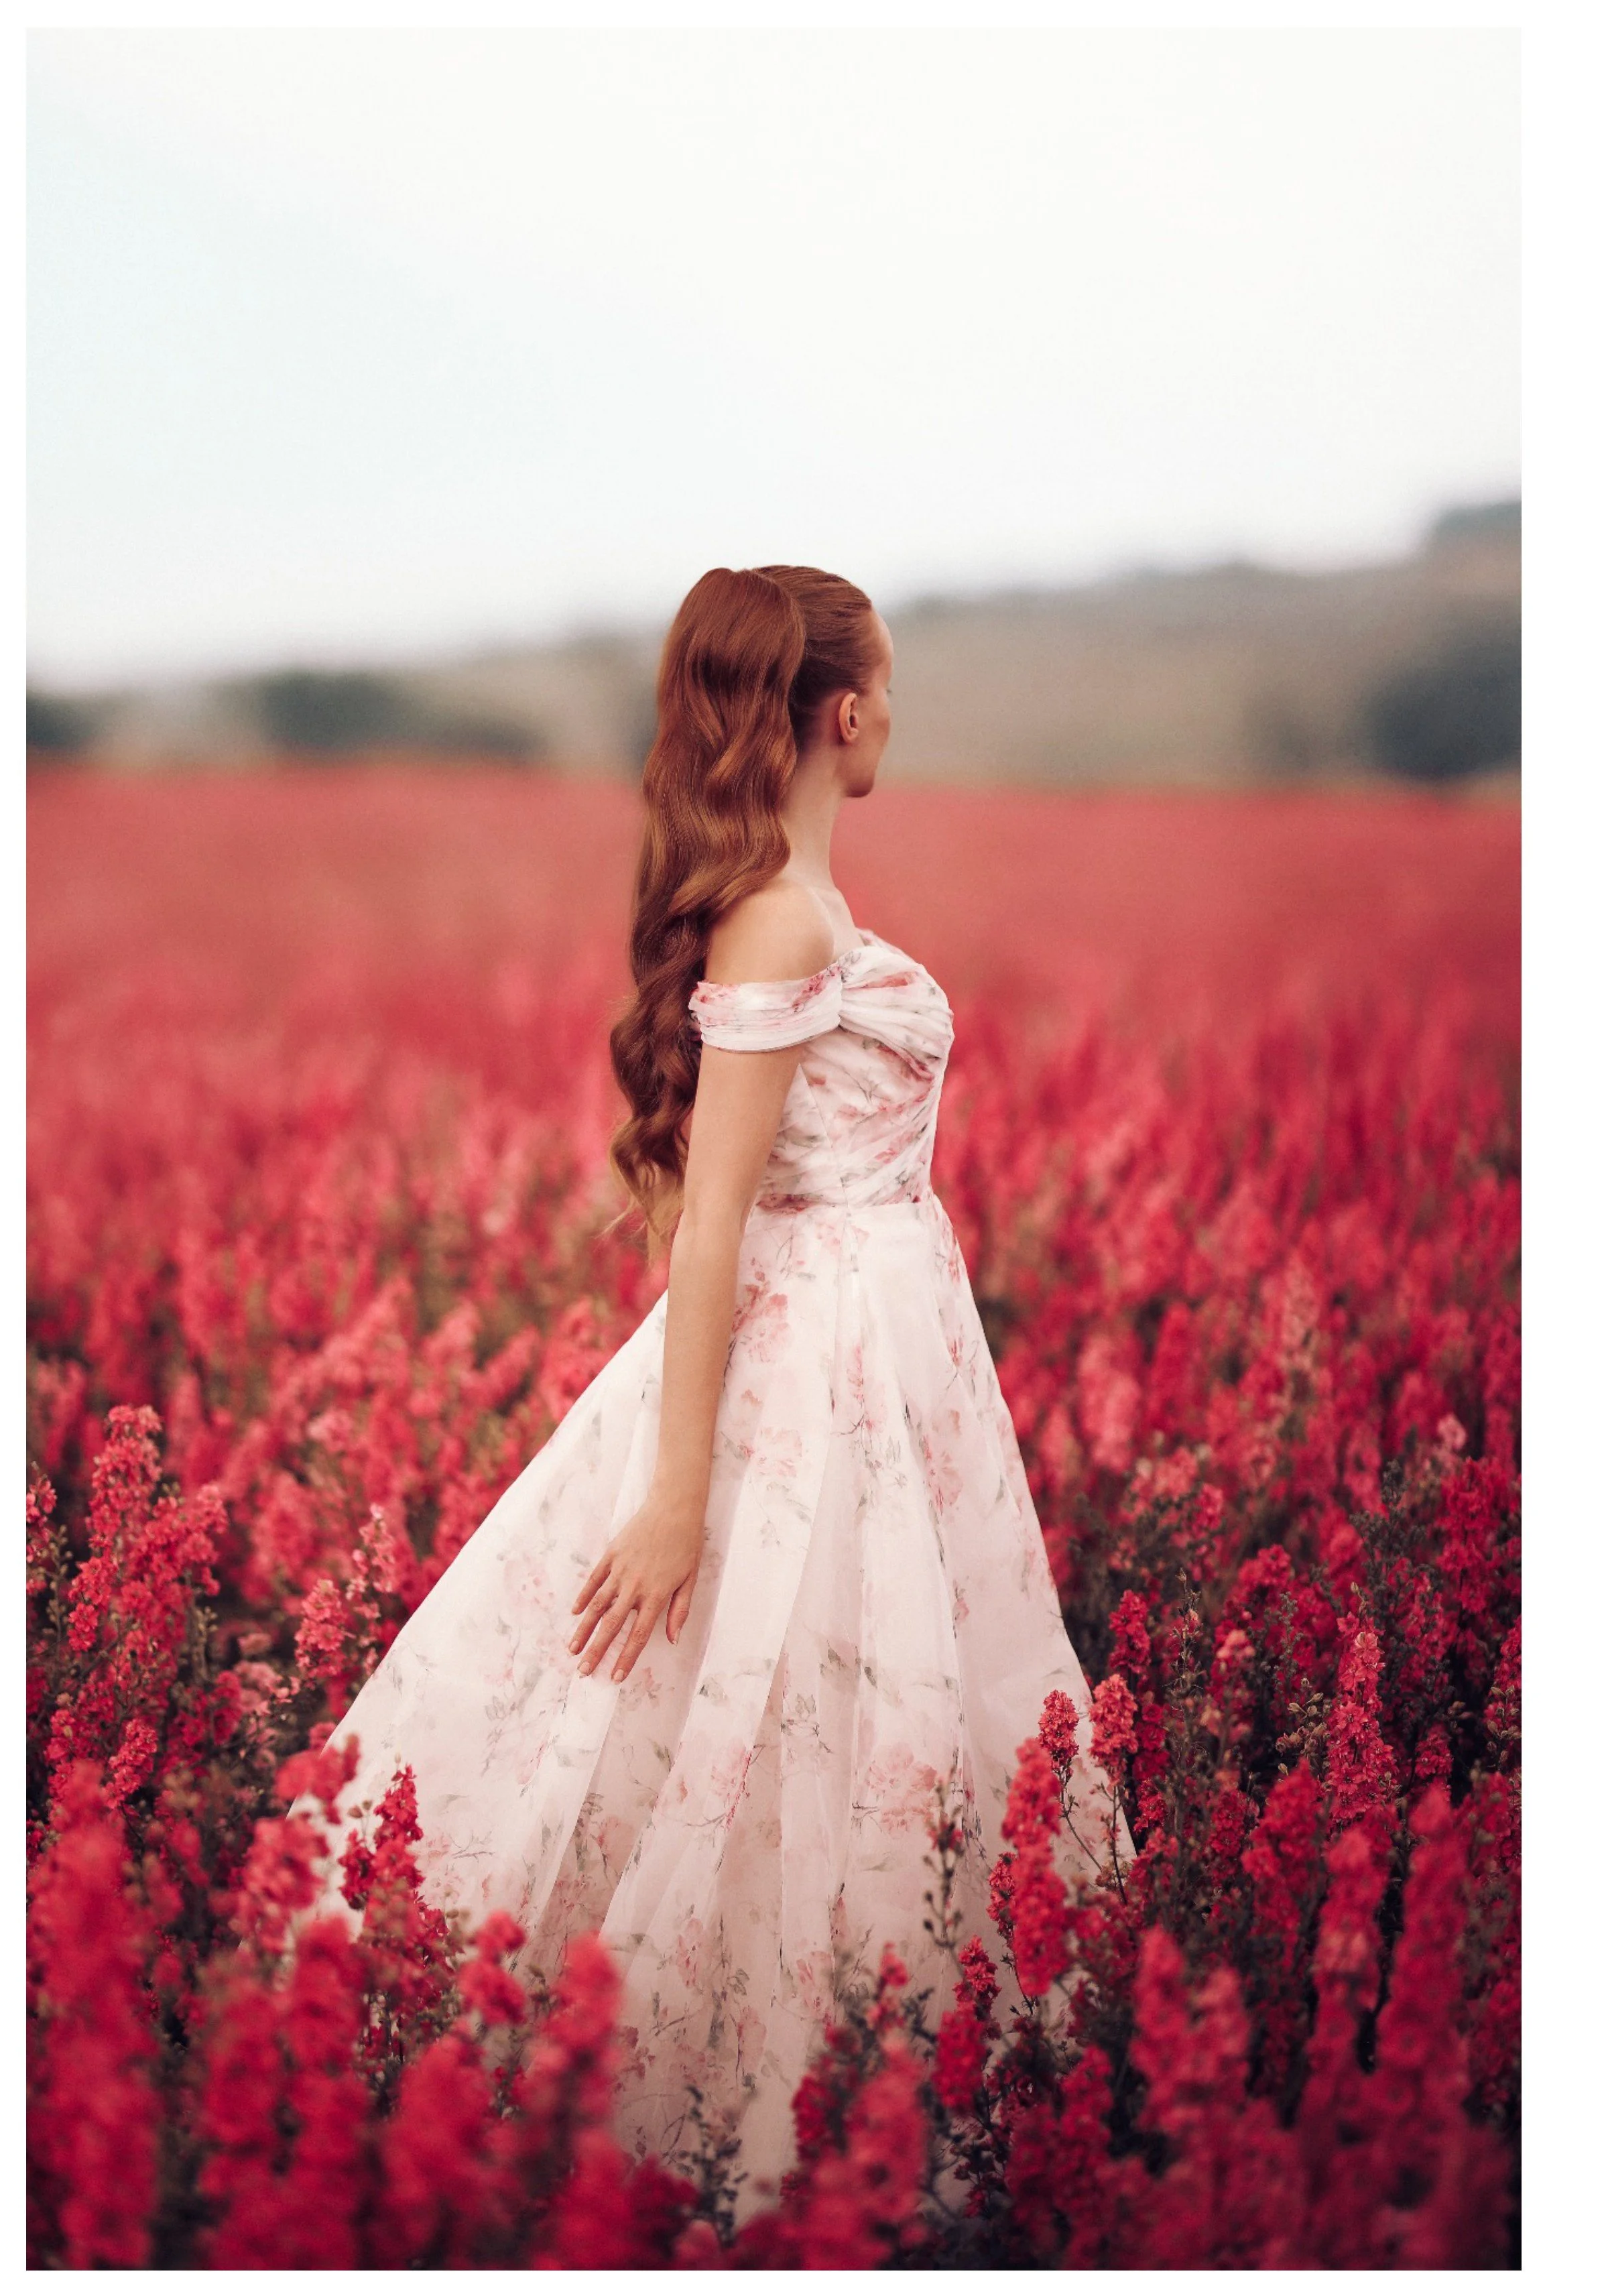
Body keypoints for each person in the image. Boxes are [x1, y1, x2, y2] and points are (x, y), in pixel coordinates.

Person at [303, 564, 1123, 2204]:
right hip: (811, 1359)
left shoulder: (794, 905)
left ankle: (829, 2078)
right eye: (883, 683)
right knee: (762, 1699)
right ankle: (737, 2114)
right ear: (843, 709)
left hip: (879, 1351)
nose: (895, 710)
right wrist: (677, 1494)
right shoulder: (771, 917)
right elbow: (712, 1221)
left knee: (823, 1702)